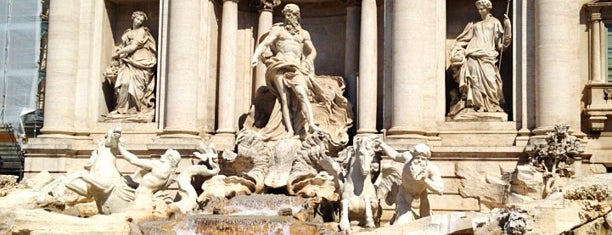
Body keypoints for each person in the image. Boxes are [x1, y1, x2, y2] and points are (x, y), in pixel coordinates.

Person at [251, 4, 322, 136]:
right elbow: (265, 43)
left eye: (294, 14)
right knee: (285, 98)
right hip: (280, 65)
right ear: (285, 15)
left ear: (298, 16)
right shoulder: (278, 30)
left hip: (296, 67)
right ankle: (289, 130)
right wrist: (255, 56)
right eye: (288, 14)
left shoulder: (304, 33)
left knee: (302, 93)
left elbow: (312, 51)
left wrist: (308, 60)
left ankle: (311, 124)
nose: (291, 17)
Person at [448, 0, 511, 117]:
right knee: (474, 82)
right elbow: (462, 40)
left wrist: (507, 27)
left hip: (488, 56)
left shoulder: (495, 22)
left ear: (488, 8)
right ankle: (477, 106)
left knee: (491, 81)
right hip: (473, 56)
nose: (480, 11)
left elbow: (502, 45)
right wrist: (457, 51)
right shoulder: (474, 24)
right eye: (478, 9)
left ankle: (492, 105)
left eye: (482, 8)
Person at [373, 140, 444, 225]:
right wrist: (382, 144)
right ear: (413, 157)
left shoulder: (431, 169)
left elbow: (440, 190)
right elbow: (395, 155)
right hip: (404, 196)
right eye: (417, 158)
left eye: (423, 159)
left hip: (421, 198)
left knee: (427, 224)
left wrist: (425, 180)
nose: (419, 161)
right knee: (402, 223)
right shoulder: (407, 157)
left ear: (426, 160)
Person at [106, 11, 157, 116]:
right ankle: (121, 109)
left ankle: (136, 109)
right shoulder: (127, 32)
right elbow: (124, 46)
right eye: (137, 19)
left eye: (141, 20)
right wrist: (120, 53)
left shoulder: (142, 31)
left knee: (136, 87)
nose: (139, 21)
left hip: (140, 61)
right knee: (124, 83)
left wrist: (118, 53)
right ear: (133, 18)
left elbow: (133, 47)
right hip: (127, 61)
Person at [118, 143, 180, 210]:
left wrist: (120, 147)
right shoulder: (170, 174)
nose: (162, 155)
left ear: (169, 157)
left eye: (165, 154)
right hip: (149, 199)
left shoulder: (159, 165)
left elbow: (133, 160)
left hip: (141, 200)